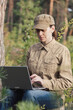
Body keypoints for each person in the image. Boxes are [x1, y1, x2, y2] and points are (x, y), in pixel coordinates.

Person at [0, 14, 73, 110]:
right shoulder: (32, 49)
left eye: (43, 30)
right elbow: (25, 74)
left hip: (54, 96)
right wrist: (17, 82)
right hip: (30, 90)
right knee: (7, 94)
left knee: (30, 95)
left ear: (52, 28)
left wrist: (43, 82)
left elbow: (67, 82)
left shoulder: (62, 51)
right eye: (37, 30)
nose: (40, 33)